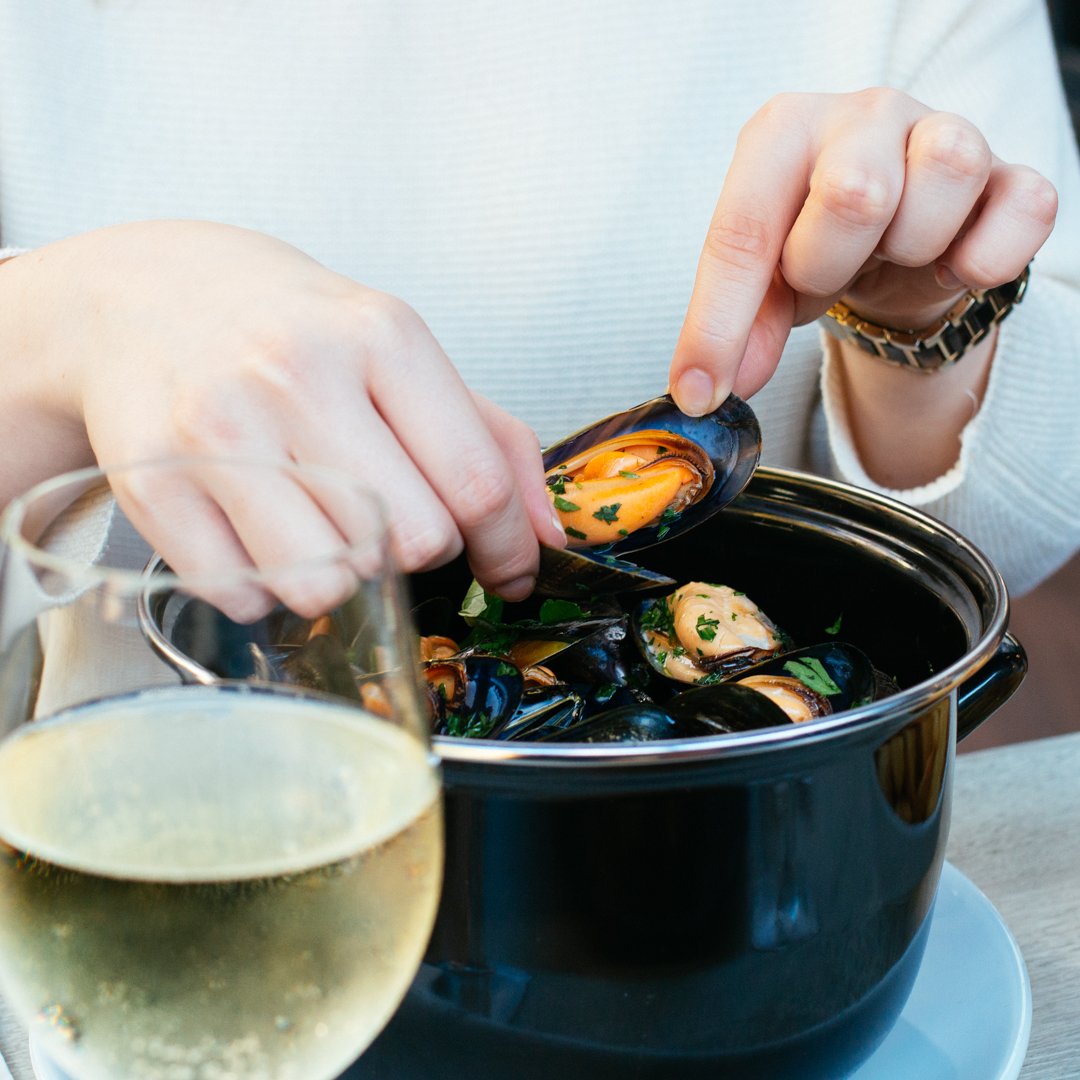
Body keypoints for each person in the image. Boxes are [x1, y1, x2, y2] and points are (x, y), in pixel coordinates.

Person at [0, 0, 1077, 603]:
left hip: (698, 850)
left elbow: (1020, 531)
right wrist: (64, 322)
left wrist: (921, 323)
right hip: (104, 829)